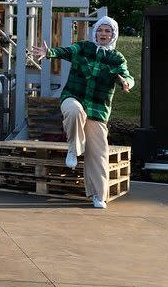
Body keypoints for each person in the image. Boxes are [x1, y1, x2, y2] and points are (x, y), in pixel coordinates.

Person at [31, 15, 134, 209]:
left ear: (113, 35)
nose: (103, 34)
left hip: (97, 110)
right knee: (75, 110)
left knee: (98, 153)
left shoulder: (116, 58)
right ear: (95, 32)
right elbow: (66, 51)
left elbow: (127, 74)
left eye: (108, 31)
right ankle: (73, 149)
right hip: (73, 97)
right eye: (101, 30)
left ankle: (98, 195)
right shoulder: (84, 48)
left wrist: (126, 82)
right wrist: (49, 52)